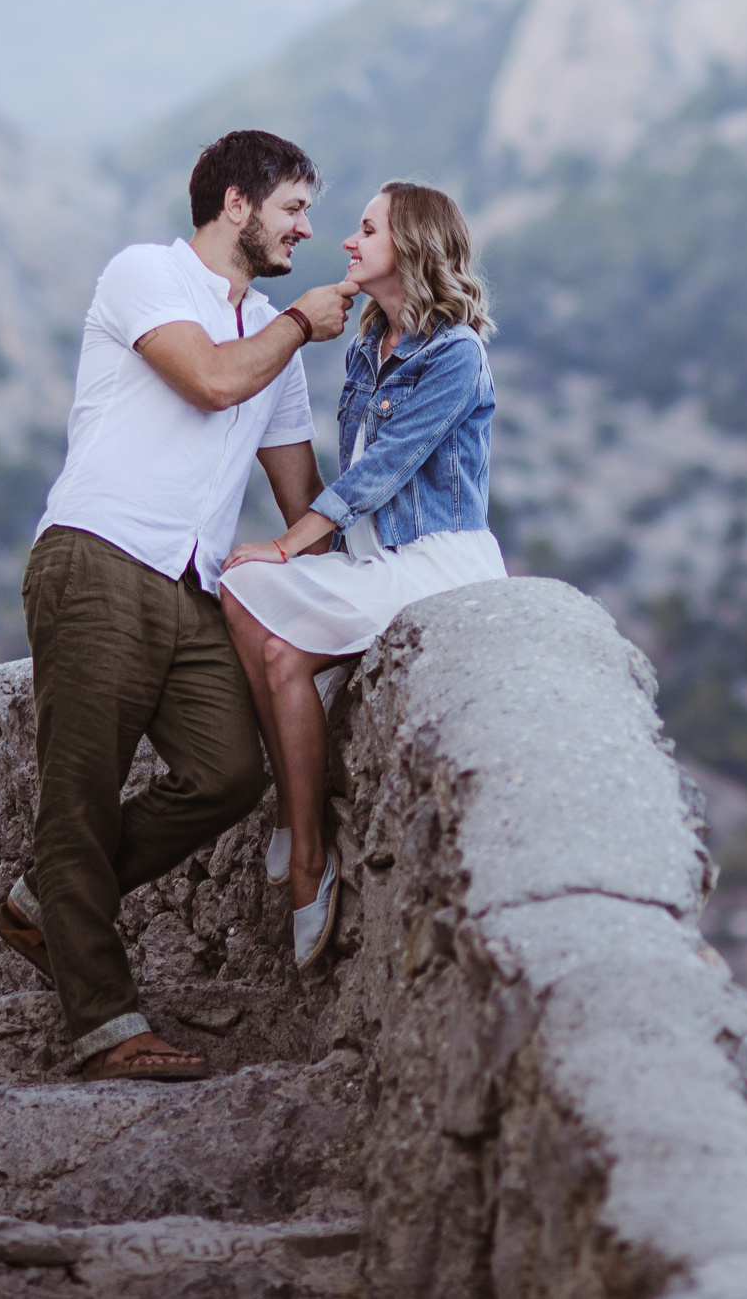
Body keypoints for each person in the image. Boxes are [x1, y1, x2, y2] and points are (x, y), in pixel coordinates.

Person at [0, 130, 358, 1082]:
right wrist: (298, 331)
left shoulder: (272, 328)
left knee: (231, 771)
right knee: (76, 800)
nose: (305, 229)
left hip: (188, 581)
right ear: (236, 204)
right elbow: (210, 379)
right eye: (292, 209)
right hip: (97, 559)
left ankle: (47, 900)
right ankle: (105, 1024)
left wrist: (382, 570)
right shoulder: (145, 274)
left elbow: (298, 493)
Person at [219, 179, 504, 968]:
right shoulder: (364, 347)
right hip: (368, 562)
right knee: (240, 596)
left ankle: (308, 859)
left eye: (367, 228)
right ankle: (298, 821)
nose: (348, 240)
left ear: (409, 246)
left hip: (433, 563)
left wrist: (287, 546)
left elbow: (377, 472)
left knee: (273, 628)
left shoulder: (455, 355)